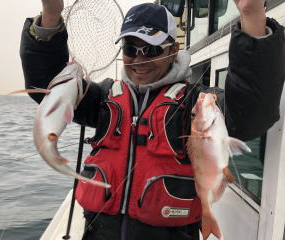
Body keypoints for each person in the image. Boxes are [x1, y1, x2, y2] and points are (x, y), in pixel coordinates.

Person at [20, 0, 285, 239]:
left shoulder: (199, 103)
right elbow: (49, 91)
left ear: (174, 48)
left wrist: (252, 17)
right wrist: (51, 15)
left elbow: (252, 115)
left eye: (151, 49)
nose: (139, 60)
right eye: (130, 49)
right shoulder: (103, 97)